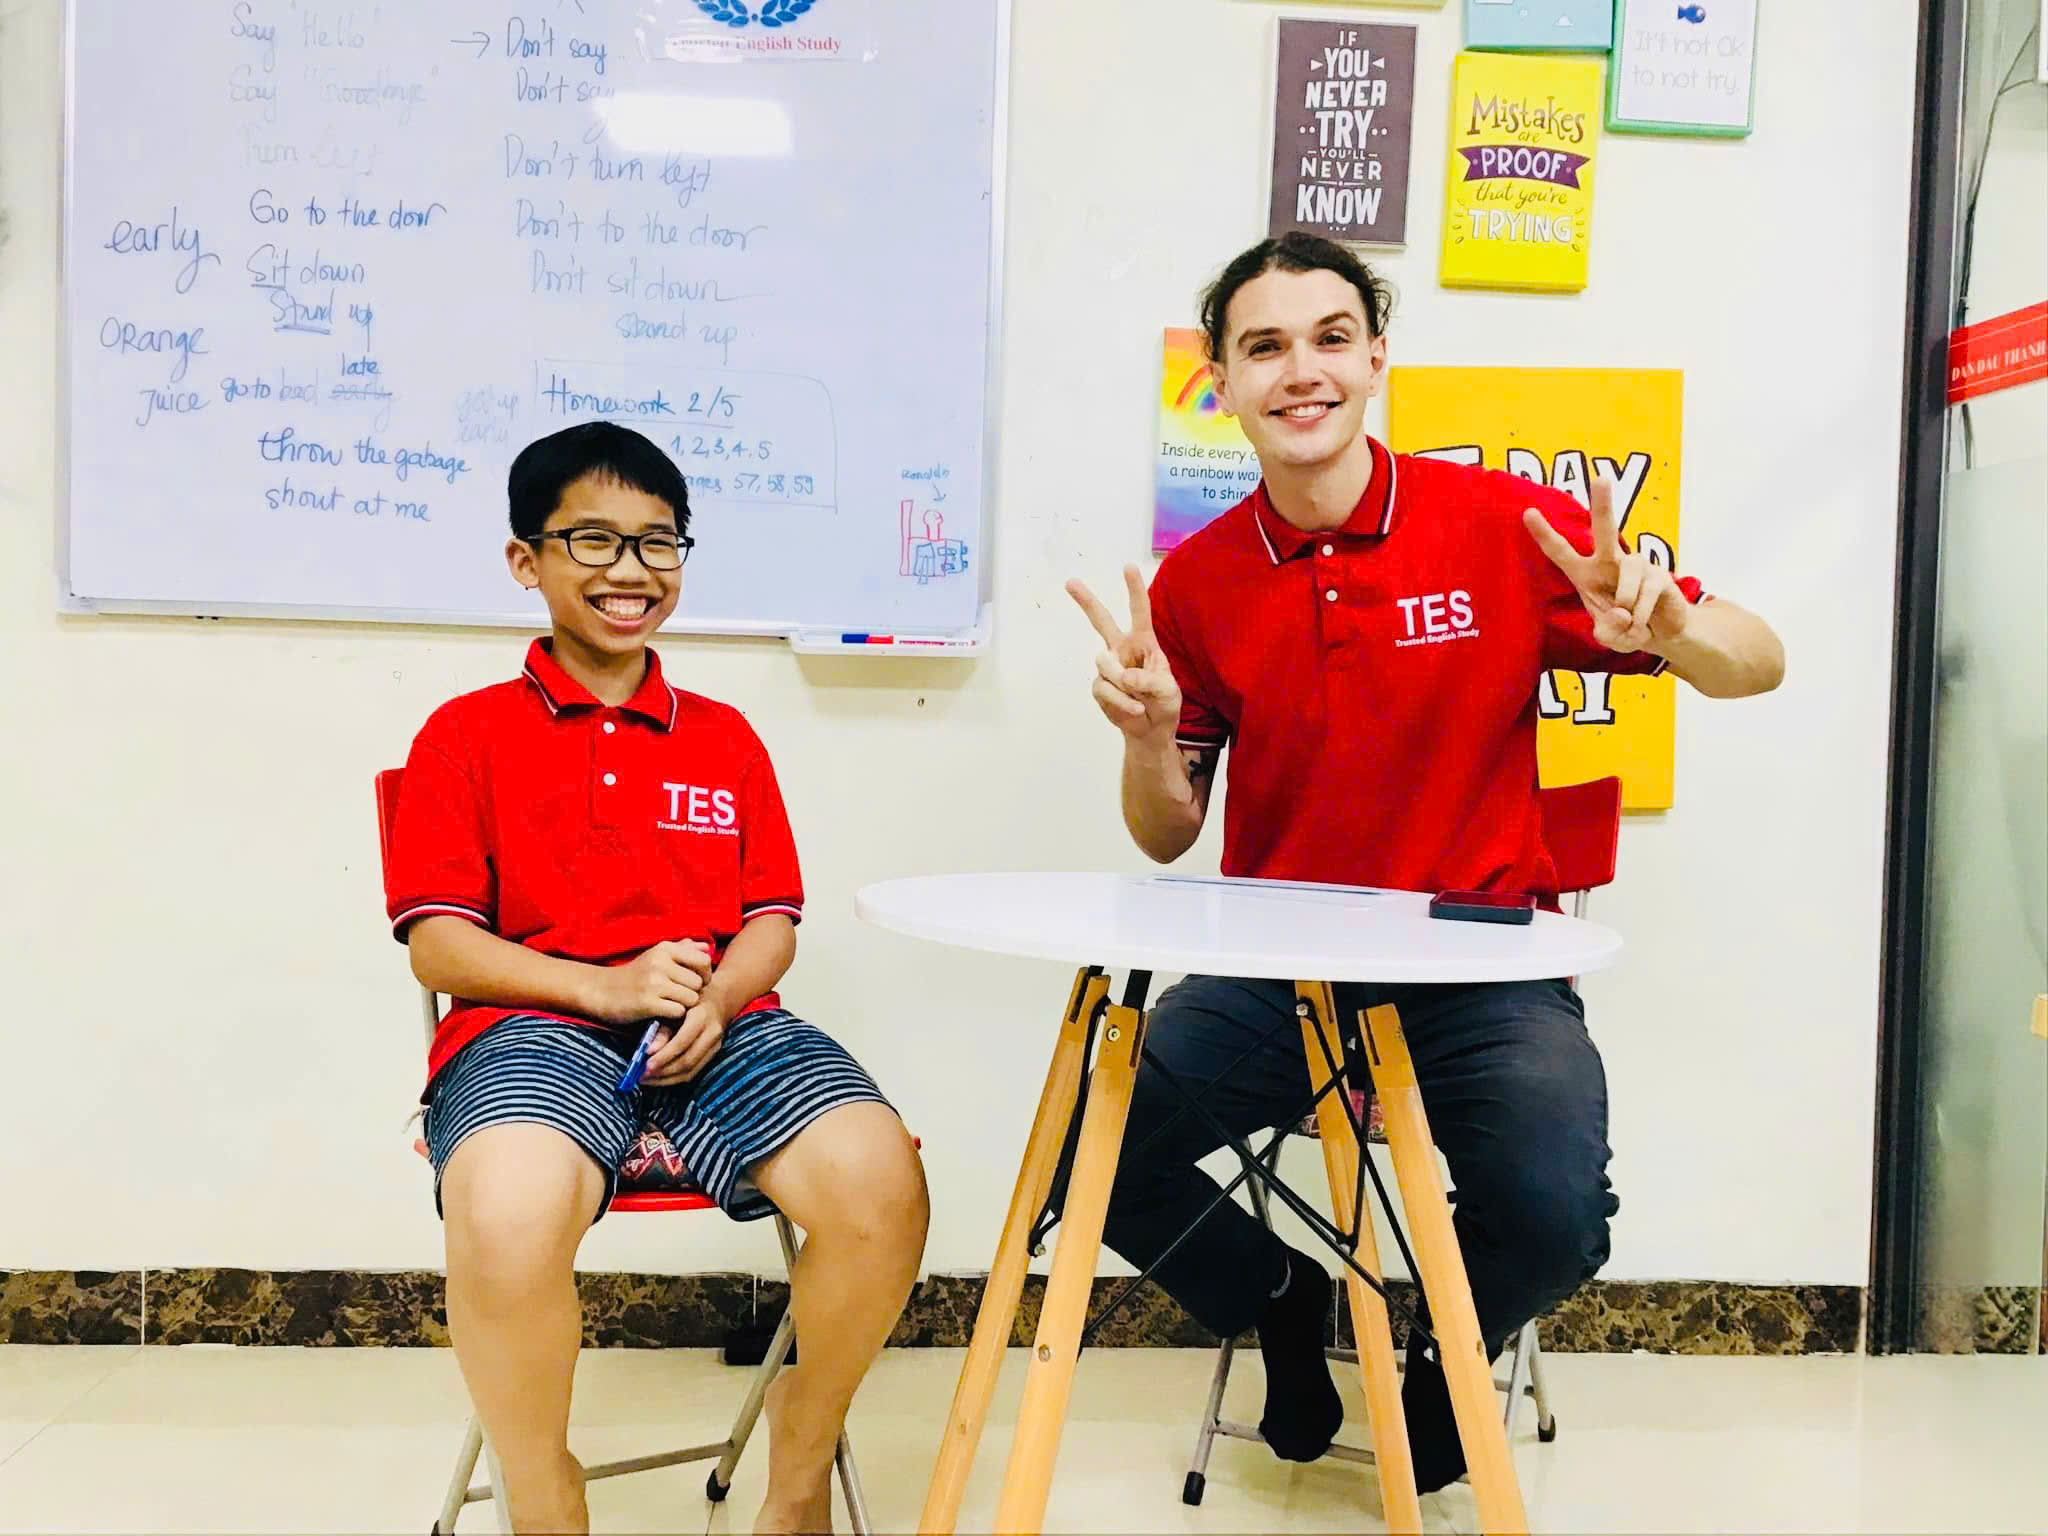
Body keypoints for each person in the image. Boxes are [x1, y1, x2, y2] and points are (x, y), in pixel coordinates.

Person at [1069, 231, 1784, 1494]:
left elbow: (1756, 664)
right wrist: (1142, 739)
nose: (1301, 369)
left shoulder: (1501, 526)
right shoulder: (1195, 584)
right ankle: (1281, 1297)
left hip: (1479, 963)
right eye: (1263, 347)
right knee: (1099, 1161)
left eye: (1330, 337)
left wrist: (1669, 623)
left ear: (1375, 358)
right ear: (1220, 384)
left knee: (1556, 1217)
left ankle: (1448, 1350)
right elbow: (1167, 830)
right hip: (1277, 968)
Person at [383, 421, 928, 1536]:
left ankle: (799, 1458)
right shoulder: (464, 735)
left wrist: (716, 1000)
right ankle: (543, 1487)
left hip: (724, 1029)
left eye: (657, 541)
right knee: (505, 1214)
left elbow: (770, 922)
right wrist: (608, 989)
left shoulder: (723, 738)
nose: (630, 570)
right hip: (530, 1027)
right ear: (525, 559)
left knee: (882, 1185)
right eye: (592, 540)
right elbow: (439, 944)